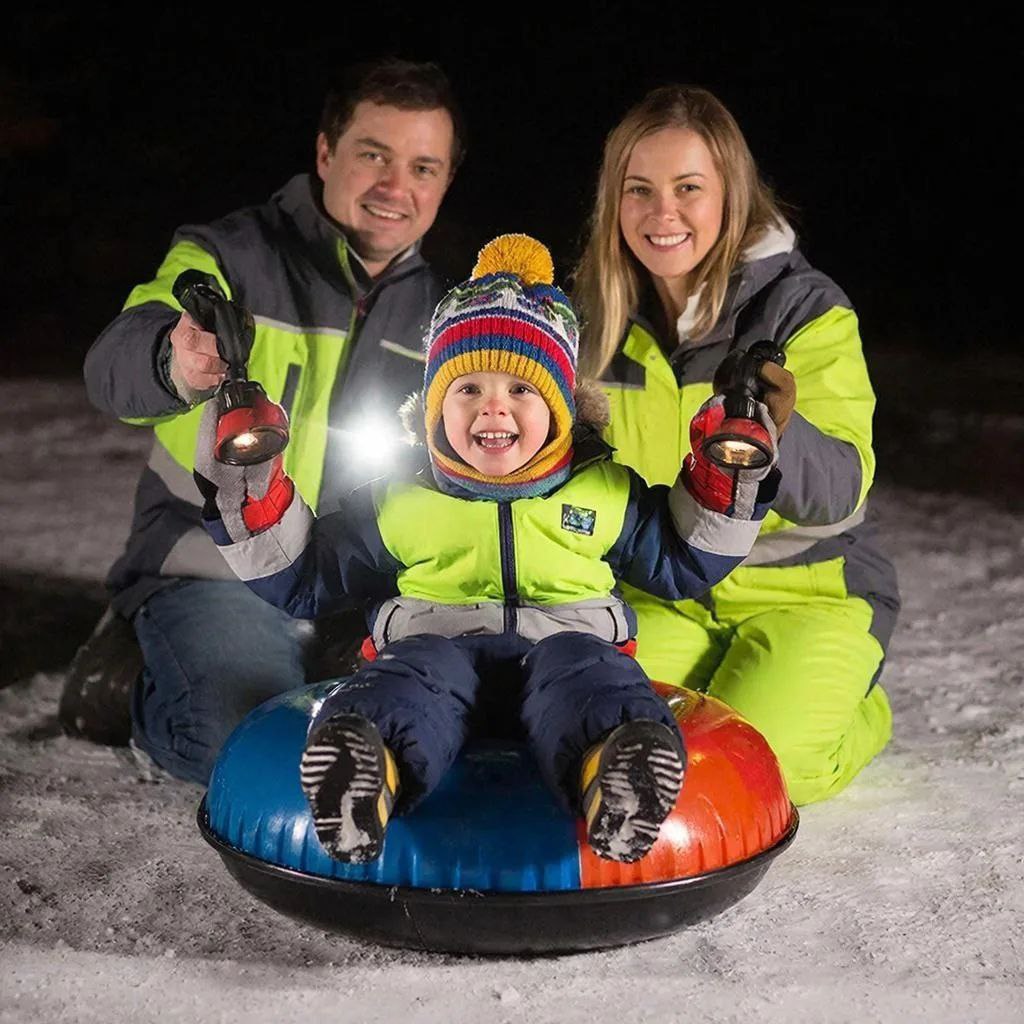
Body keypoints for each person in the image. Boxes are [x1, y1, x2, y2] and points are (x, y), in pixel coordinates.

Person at [193, 234, 792, 863]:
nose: (492, 410)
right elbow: (302, 576)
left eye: (522, 390)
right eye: (468, 388)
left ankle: (619, 773)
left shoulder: (604, 491)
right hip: (439, 649)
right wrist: (251, 479)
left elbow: (685, 558)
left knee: (591, 673)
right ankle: (364, 769)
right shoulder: (398, 499)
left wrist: (729, 472)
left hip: (566, 650)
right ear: (433, 406)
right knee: (410, 673)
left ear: (561, 407)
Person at [64, 59, 467, 784]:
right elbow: (113, 365)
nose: (395, 187)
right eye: (374, 154)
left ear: (443, 183)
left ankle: (299, 661)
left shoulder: (447, 313)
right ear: (325, 153)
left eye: (423, 167)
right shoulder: (227, 256)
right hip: (214, 569)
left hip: (353, 583)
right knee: (244, 744)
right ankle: (124, 682)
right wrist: (172, 358)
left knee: (418, 726)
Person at [572, 84, 900, 806]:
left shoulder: (804, 308)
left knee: (758, 773)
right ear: (613, 201)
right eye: (640, 189)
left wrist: (783, 428)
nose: (664, 214)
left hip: (806, 593)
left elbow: (843, 487)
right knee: (599, 736)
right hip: (668, 594)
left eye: (689, 187)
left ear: (732, 195)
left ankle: (861, 712)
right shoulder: (596, 324)